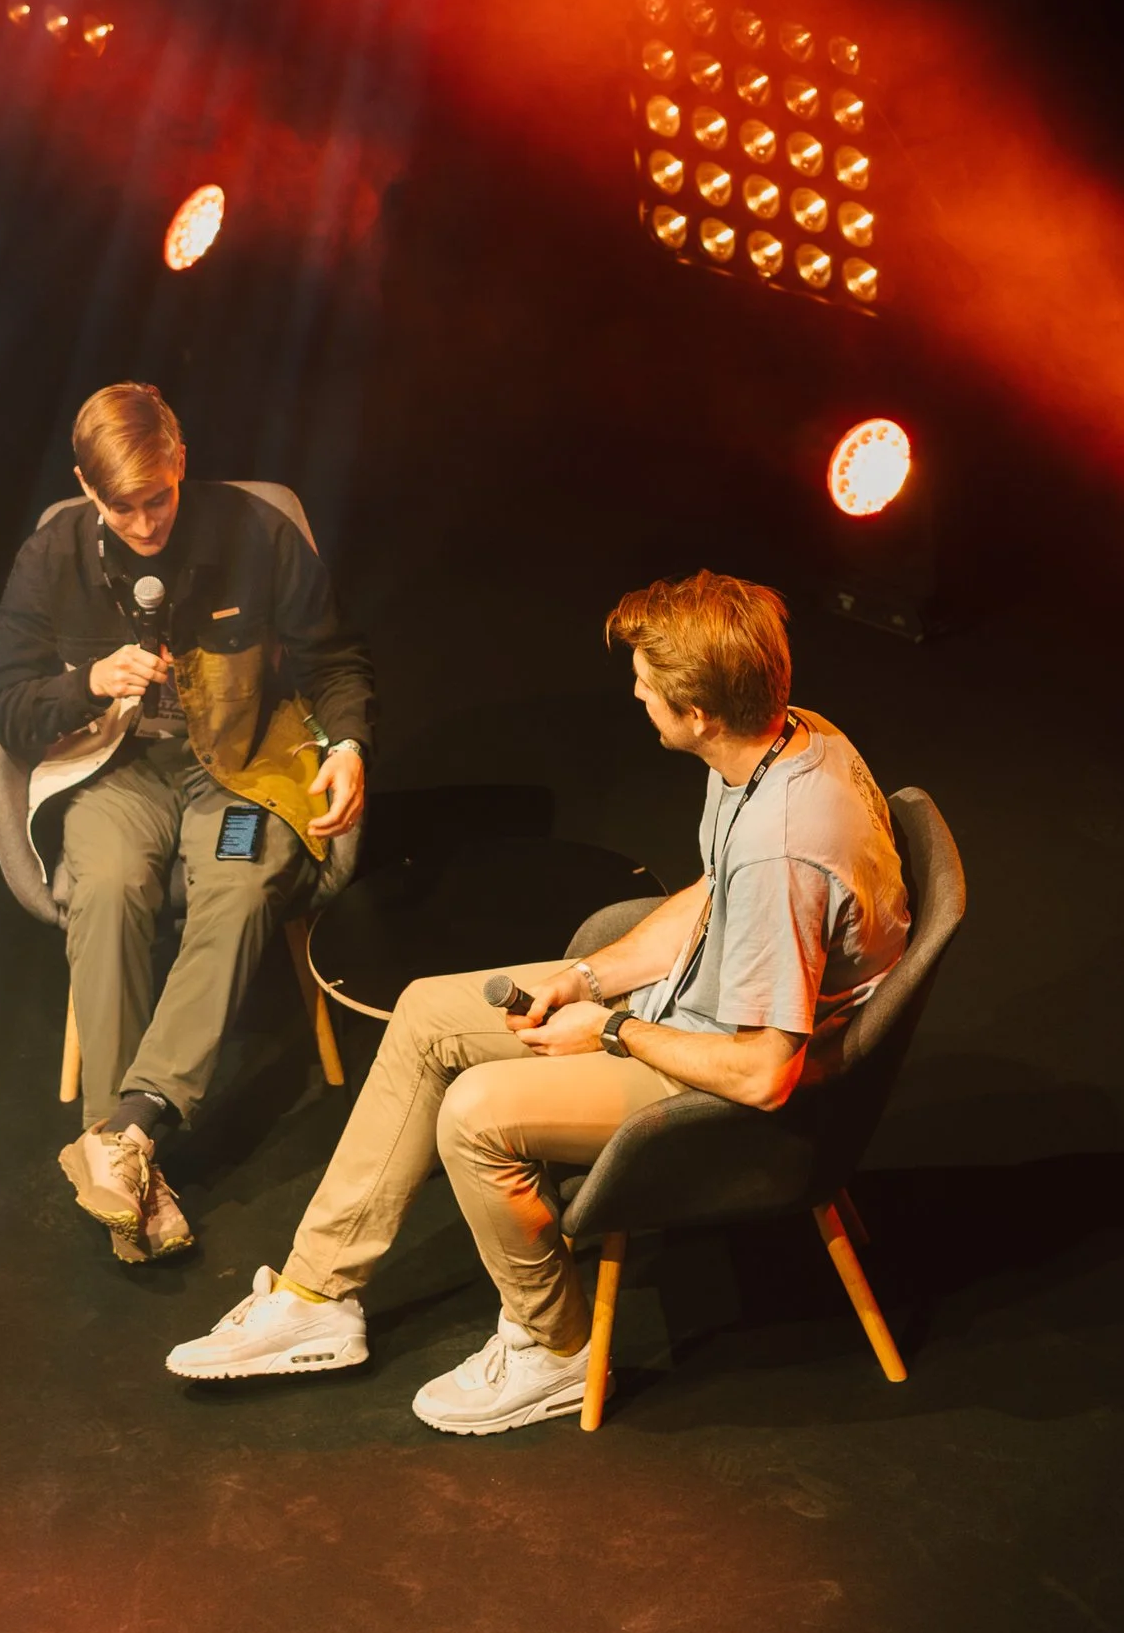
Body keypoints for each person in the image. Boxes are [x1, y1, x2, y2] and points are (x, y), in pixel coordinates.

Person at [164, 569, 909, 1429]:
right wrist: (586, 980)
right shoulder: (784, 737)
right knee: (423, 1015)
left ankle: (555, 1348)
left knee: (474, 1116)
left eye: (648, 685)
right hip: (695, 1011)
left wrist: (617, 1031)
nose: (633, 690)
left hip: (739, 1086)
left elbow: (762, 1074)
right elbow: (715, 894)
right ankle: (317, 1295)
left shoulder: (786, 848)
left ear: (700, 713)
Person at [0, 381, 372, 1265]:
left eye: (158, 498)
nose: (147, 522)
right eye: (123, 507)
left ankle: (126, 1129)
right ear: (87, 489)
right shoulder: (49, 560)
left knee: (239, 881)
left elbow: (336, 662)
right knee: (111, 884)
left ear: (180, 463)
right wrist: (82, 684)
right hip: (115, 769)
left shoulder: (257, 533)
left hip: (238, 767)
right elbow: (6, 707)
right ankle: (130, 1169)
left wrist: (347, 744)